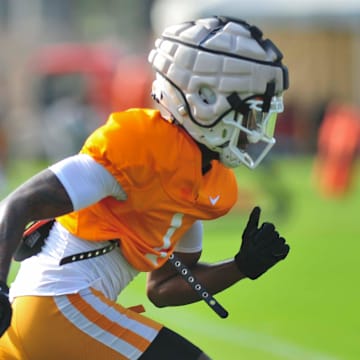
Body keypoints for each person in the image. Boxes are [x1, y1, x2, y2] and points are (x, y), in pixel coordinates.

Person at [0, 16, 290, 359]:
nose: (254, 129)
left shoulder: (208, 182)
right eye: (248, 113)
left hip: (66, 313)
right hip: (56, 303)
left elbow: (163, 288)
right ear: (207, 98)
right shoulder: (142, 147)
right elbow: (19, 203)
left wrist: (240, 266)